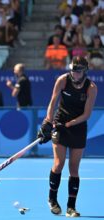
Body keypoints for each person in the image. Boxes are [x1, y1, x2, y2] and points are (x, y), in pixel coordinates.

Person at [37, 56, 97, 217]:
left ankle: (71, 207)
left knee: (74, 169)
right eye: (72, 70)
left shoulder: (91, 88)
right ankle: (52, 199)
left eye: (78, 71)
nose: (74, 74)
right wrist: (48, 122)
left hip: (77, 126)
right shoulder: (62, 80)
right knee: (59, 163)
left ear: (85, 71)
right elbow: (53, 102)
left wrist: (70, 124)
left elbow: (87, 114)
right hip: (60, 123)